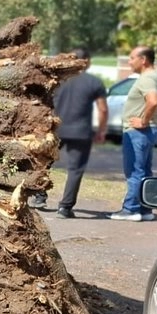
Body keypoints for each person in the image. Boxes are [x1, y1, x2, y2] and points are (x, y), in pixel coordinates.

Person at [31, 48, 108, 218]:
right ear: (87, 61)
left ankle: (38, 196)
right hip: (81, 131)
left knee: (44, 163)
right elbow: (102, 109)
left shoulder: (58, 80)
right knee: (75, 169)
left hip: (56, 128)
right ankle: (65, 207)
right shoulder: (94, 82)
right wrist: (102, 131)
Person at [110, 45, 157, 222]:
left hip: (139, 131)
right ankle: (145, 209)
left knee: (134, 171)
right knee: (144, 170)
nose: (129, 62)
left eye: (131, 58)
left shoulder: (147, 78)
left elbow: (153, 101)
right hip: (149, 129)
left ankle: (131, 209)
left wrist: (145, 120)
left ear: (143, 60)